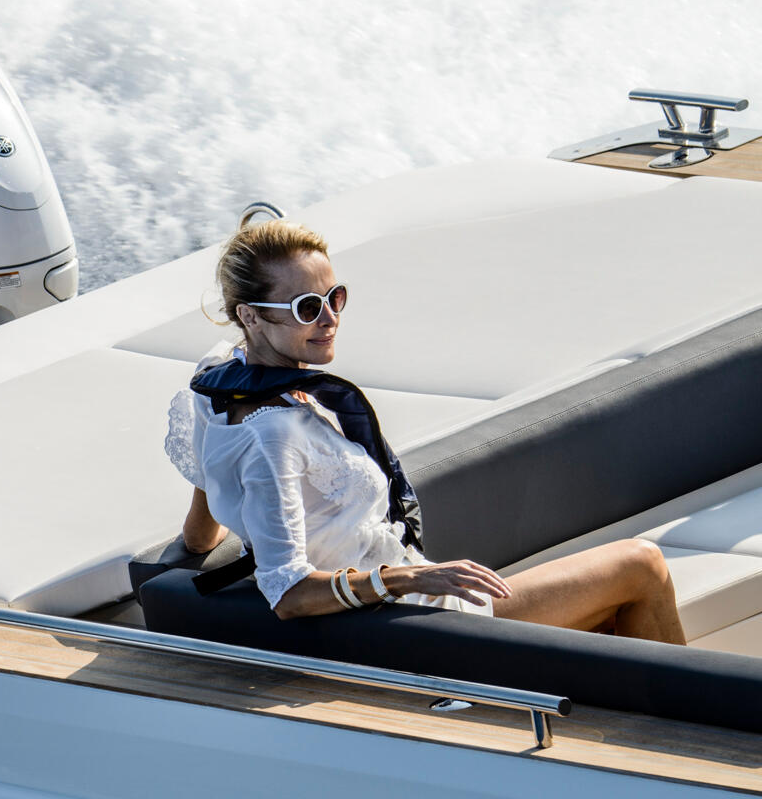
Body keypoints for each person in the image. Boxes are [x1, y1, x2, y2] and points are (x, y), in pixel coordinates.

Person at [164, 219, 685, 642]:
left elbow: (205, 506)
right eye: (307, 308)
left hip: (401, 601)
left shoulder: (221, 380)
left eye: (334, 297)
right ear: (251, 317)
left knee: (614, 610)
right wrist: (413, 577)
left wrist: (199, 544)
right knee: (641, 565)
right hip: (407, 620)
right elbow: (289, 593)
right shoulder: (273, 435)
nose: (329, 319)